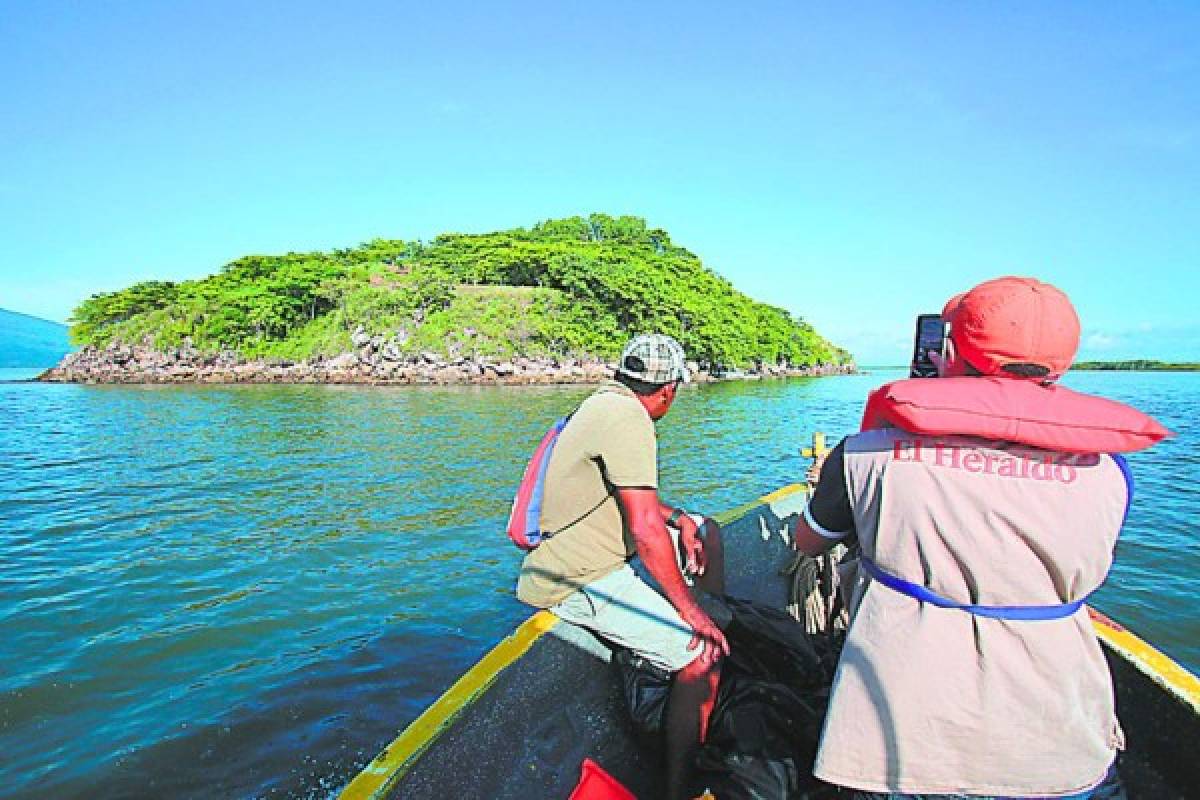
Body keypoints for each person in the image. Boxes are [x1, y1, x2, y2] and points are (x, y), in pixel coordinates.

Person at [792, 277, 1166, 799]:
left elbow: (808, 543)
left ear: (947, 350)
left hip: (899, 741)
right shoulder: (1111, 473)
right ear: (1061, 366)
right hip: (1059, 743)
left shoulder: (864, 454)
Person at [516, 333, 730, 800]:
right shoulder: (631, 420)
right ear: (668, 389)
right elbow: (646, 531)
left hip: (582, 554)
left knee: (705, 528)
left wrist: (681, 520)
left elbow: (633, 502)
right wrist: (691, 612)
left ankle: (702, 635)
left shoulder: (602, 403)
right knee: (702, 655)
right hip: (577, 576)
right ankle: (680, 788)